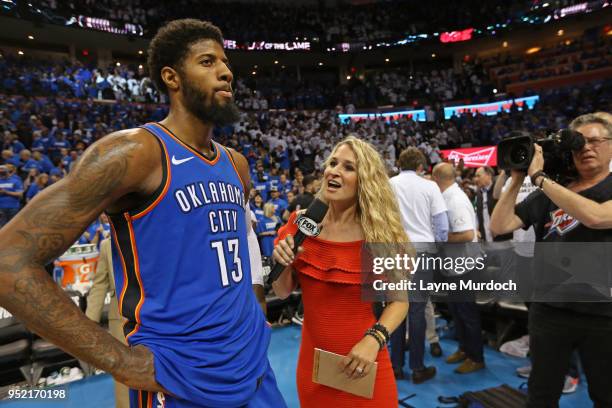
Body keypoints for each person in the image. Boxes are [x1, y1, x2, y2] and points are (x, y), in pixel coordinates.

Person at [0, 19, 284, 408]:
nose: (226, 71)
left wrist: (255, 308)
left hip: (252, 366)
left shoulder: (237, 166)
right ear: (172, 77)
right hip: (180, 379)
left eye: (225, 62)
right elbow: (9, 261)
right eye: (207, 61)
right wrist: (120, 361)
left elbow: (240, 248)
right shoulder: (135, 153)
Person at [272, 136, 409, 407]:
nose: (334, 171)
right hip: (314, 369)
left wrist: (374, 340)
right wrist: (282, 261)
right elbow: (282, 290)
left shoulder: (378, 234)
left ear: (365, 181)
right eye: (333, 163)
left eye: (348, 167)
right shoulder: (300, 224)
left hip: (364, 363)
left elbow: (399, 301)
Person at [489, 114, 612, 407]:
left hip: (604, 314)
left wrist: (540, 178)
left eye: (594, 140)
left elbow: (596, 217)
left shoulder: (553, 187)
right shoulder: (551, 191)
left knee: (606, 396)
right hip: (549, 312)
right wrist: (518, 177)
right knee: (541, 396)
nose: (586, 148)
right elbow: (500, 225)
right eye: (578, 143)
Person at [389, 147, 448, 384]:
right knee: (417, 312)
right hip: (422, 253)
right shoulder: (430, 186)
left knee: (395, 309)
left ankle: (395, 367)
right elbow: (442, 226)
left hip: (394, 254)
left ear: (399, 163)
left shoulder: (389, 184)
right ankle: (417, 367)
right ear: (422, 166)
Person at [432, 163, 485, 374]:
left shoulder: (455, 200)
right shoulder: (447, 196)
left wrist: (440, 239)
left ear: (436, 178)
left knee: (467, 313)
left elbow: (467, 234)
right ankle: (464, 349)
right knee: (457, 311)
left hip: (465, 267)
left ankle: (476, 357)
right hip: (454, 266)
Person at [85, 237, 129, 408]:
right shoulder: (106, 245)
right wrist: (89, 322)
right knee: (125, 373)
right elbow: (99, 284)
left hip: (153, 315)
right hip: (119, 320)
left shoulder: (148, 234)